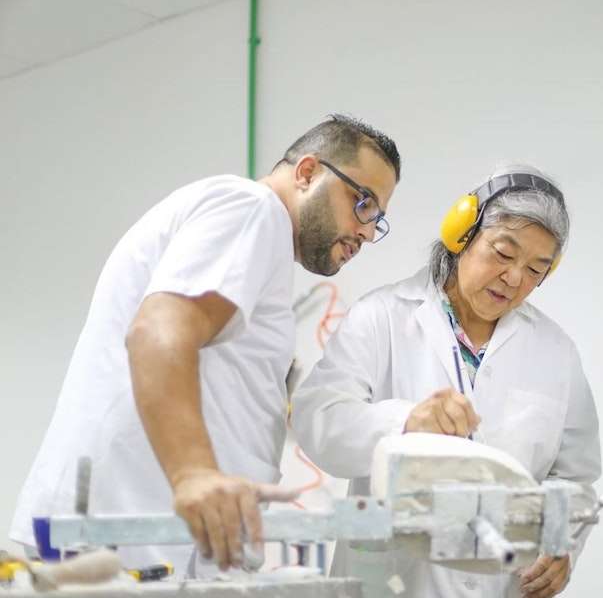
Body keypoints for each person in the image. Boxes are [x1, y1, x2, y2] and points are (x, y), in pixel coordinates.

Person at [10, 114, 401, 578]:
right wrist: (193, 474)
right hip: (133, 531)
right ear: (307, 172)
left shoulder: (259, 239)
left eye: (378, 219)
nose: (365, 231)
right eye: (362, 203)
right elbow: (158, 330)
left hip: (140, 535)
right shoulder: (251, 209)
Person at [291, 163, 601, 598]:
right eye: (504, 253)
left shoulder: (556, 352)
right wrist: (405, 423)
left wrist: (561, 541)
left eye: (536, 269)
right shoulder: (382, 317)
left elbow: (576, 478)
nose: (514, 279)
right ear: (463, 235)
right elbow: (317, 420)